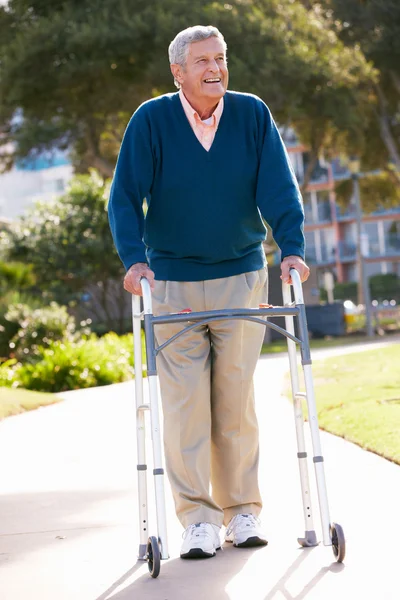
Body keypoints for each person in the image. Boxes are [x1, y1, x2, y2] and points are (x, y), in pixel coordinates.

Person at [108, 25, 310, 560]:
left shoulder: (250, 114)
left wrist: (291, 247)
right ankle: (197, 519)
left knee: (236, 402)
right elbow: (124, 196)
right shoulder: (151, 120)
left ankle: (242, 512)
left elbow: (278, 186)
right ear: (178, 72)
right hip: (171, 282)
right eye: (202, 60)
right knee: (185, 406)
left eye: (220, 57)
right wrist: (134, 260)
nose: (215, 67)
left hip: (241, 273)